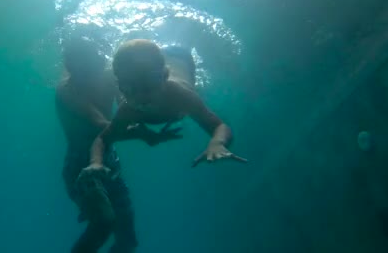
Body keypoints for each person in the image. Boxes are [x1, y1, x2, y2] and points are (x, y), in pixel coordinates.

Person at [55, 37, 181, 253]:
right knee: (104, 222)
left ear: (96, 58)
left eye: (84, 62)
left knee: (128, 241)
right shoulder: (66, 91)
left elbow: (130, 107)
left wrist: (161, 112)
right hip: (81, 166)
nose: (80, 70)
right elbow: (102, 125)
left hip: (110, 160)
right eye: (73, 64)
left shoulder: (109, 78)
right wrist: (143, 133)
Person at [82, 39, 246, 179]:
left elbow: (219, 125)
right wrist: (95, 163)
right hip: (153, 61)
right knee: (142, 67)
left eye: (149, 85)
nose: (141, 96)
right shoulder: (128, 109)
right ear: (120, 87)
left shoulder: (181, 96)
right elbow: (103, 139)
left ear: (165, 77)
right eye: (129, 88)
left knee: (195, 91)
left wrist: (217, 143)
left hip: (181, 57)